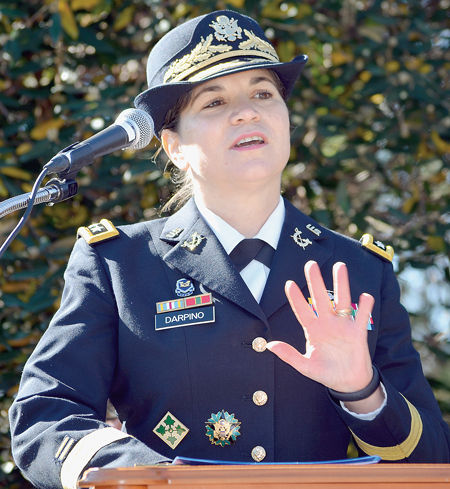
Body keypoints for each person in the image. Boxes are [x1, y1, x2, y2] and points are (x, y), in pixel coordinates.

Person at [9, 9, 450, 489]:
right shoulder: (118, 265)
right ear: (172, 145)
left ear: (286, 121)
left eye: (263, 93)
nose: (247, 111)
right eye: (214, 101)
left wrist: (362, 392)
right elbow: (45, 414)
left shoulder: (359, 270)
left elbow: (433, 461)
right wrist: (137, 472)